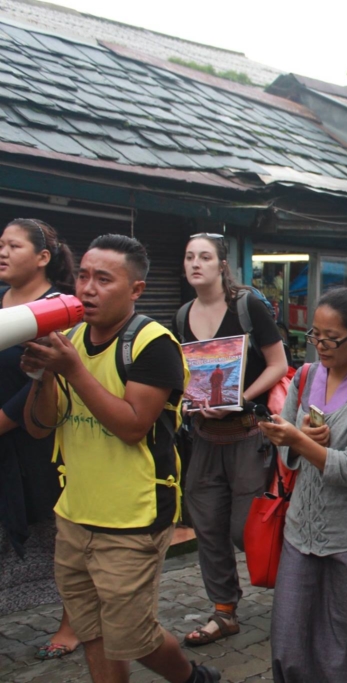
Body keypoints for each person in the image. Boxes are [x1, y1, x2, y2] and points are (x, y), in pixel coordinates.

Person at [21, 234, 219, 683]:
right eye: (83, 276)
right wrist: (41, 376)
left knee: (133, 635)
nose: (87, 288)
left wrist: (70, 369)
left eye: (103, 279)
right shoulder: (69, 337)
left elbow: (132, 426)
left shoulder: (153, 343)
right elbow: (40, 425)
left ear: (135, 290)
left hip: (132, 517)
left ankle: (191, 678)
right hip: (74, 512)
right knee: (92, 629)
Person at [258, 287, 347, 683]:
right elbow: (286, 458)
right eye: (314, 335)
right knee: (290, 642)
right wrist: (290, 441)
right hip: (301, 530)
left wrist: (300, 440)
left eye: (330, 338)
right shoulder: (303, 377)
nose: (320, 345)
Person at [175, 234, 288, 647]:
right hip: (204, 436)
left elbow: (279, 364)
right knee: (206, 526)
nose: (195, 264)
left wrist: (240, 398)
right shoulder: (183, 312)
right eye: (189, 257)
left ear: (222, 264)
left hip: (248, 434)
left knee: (246, 529)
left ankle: (294, 587)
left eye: (205, 257)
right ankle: (224, 612)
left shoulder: (247, 306)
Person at [0, 218, 80, 660]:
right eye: (0, 244)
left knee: (56, 533)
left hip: (39, 435)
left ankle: (73, 619)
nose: (3, 252)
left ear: (43, 257)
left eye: (14, 245)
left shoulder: (58, 308)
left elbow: (39, 377)